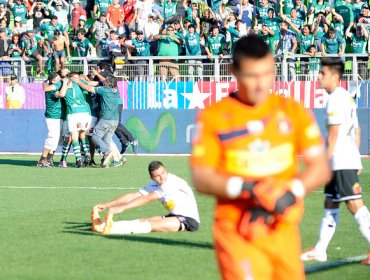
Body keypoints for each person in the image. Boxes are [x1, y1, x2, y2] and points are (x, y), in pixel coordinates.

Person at [190, 35, 330, 280]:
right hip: (237, 231)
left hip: (282, 229)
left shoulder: (292, 110)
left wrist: (291, 192)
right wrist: (250, 188)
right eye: (251, 75)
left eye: (267, 73)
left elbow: (320, 167)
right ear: (233, 71)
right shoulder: (214, 116)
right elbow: (201, 177)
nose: (261, 84)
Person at [301, 57, 370, 262]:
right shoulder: (346, 96)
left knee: (354, 204)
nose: (318, 76)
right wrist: (355, 156)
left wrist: (323, 163)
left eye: (322, 73)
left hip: (339, 161)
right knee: (330, 202)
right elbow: (356, 129)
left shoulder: (335, 99)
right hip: (344, 158)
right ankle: (320, 249)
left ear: (334, 76)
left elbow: (333, 135)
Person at [91, 161, 200, 235]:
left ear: (166, 171)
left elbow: (148, 198)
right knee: (141, 221)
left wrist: (121, 208)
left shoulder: (171, 182)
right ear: (152, 177)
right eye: (157, 176)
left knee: (148, 225)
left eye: (163, 173)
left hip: (188, 220)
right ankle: (102, 226)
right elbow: (135, 195)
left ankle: (109, 230)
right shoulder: (154, 184)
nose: (162, 177)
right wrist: (107, 205)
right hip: (173, 215)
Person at [72, 74, 119, 167]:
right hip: (115, 120)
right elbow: (99, 82)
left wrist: (78, 81)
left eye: (105, 80)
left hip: (106, 119)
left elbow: (89, 89)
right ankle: (105, 162)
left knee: (94, 137)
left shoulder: (104, 90)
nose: (103, 81)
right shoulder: (115, 90)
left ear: (108, 83)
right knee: (106, 140)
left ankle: (106, 152)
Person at [37, 72, 64, 167]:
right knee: (52, 137)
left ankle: (49, 158)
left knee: (56, 139)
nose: (60, 80)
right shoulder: (52, 89)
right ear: (53, 81)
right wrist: (65, 81)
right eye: (58, 79)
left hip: (58, 116)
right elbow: (60, 95)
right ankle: (42, 159)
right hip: (53, 117)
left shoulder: (53, 86)